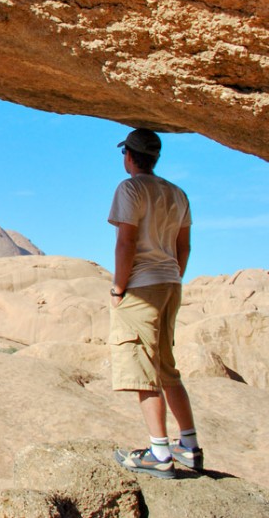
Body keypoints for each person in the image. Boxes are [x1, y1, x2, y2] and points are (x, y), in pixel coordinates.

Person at [108, 128, 203, 479]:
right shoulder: (178, 194)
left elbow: (126, 243)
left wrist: (119, 288)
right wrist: (173, 276)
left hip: (142, 287)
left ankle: (159, 453)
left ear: (130, 156)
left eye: (124, 155)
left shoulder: (130, 188)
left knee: (143, 370)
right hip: (170, 283)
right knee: (166, 367)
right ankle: (189, 447)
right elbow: (185, 246)